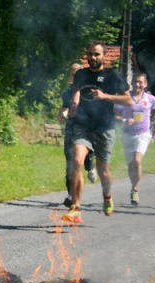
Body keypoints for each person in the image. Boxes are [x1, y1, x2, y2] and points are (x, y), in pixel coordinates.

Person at [62, 41, 132, 223]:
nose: (93, 58)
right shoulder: (81, 74)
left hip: (104, 128)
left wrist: (104, 96)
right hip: (83, 125)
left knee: (103, 171)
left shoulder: (113, 75)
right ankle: (75, 208)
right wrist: (74, 106)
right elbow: (76, 91)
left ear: (103, 56)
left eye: (97, 54)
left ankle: (107, 196)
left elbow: (128, 100)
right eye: (90, 54)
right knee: (77, 161)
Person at [114, 72, 155, 206]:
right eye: (135, 81)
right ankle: (133, 184)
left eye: (140, 82)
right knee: (131, 164)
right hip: (127, 134)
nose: (138, 84)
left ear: (145, 84)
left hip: (143, 134)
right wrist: (124, 120)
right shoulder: (125, 98)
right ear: (131, 83)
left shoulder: (151, 99)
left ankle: (135, 189)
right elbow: (114, 114)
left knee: (137, 161)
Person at [58, 63, 98, 208]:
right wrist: (62, 115)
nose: (76, 77)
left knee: (84, 159)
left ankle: (91, 165)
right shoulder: (67, 93)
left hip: (87, 131)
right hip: (71, 130)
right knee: (71, 164)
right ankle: (71, 195)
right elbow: (64, 108)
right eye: (74, 74)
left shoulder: (91, 91)